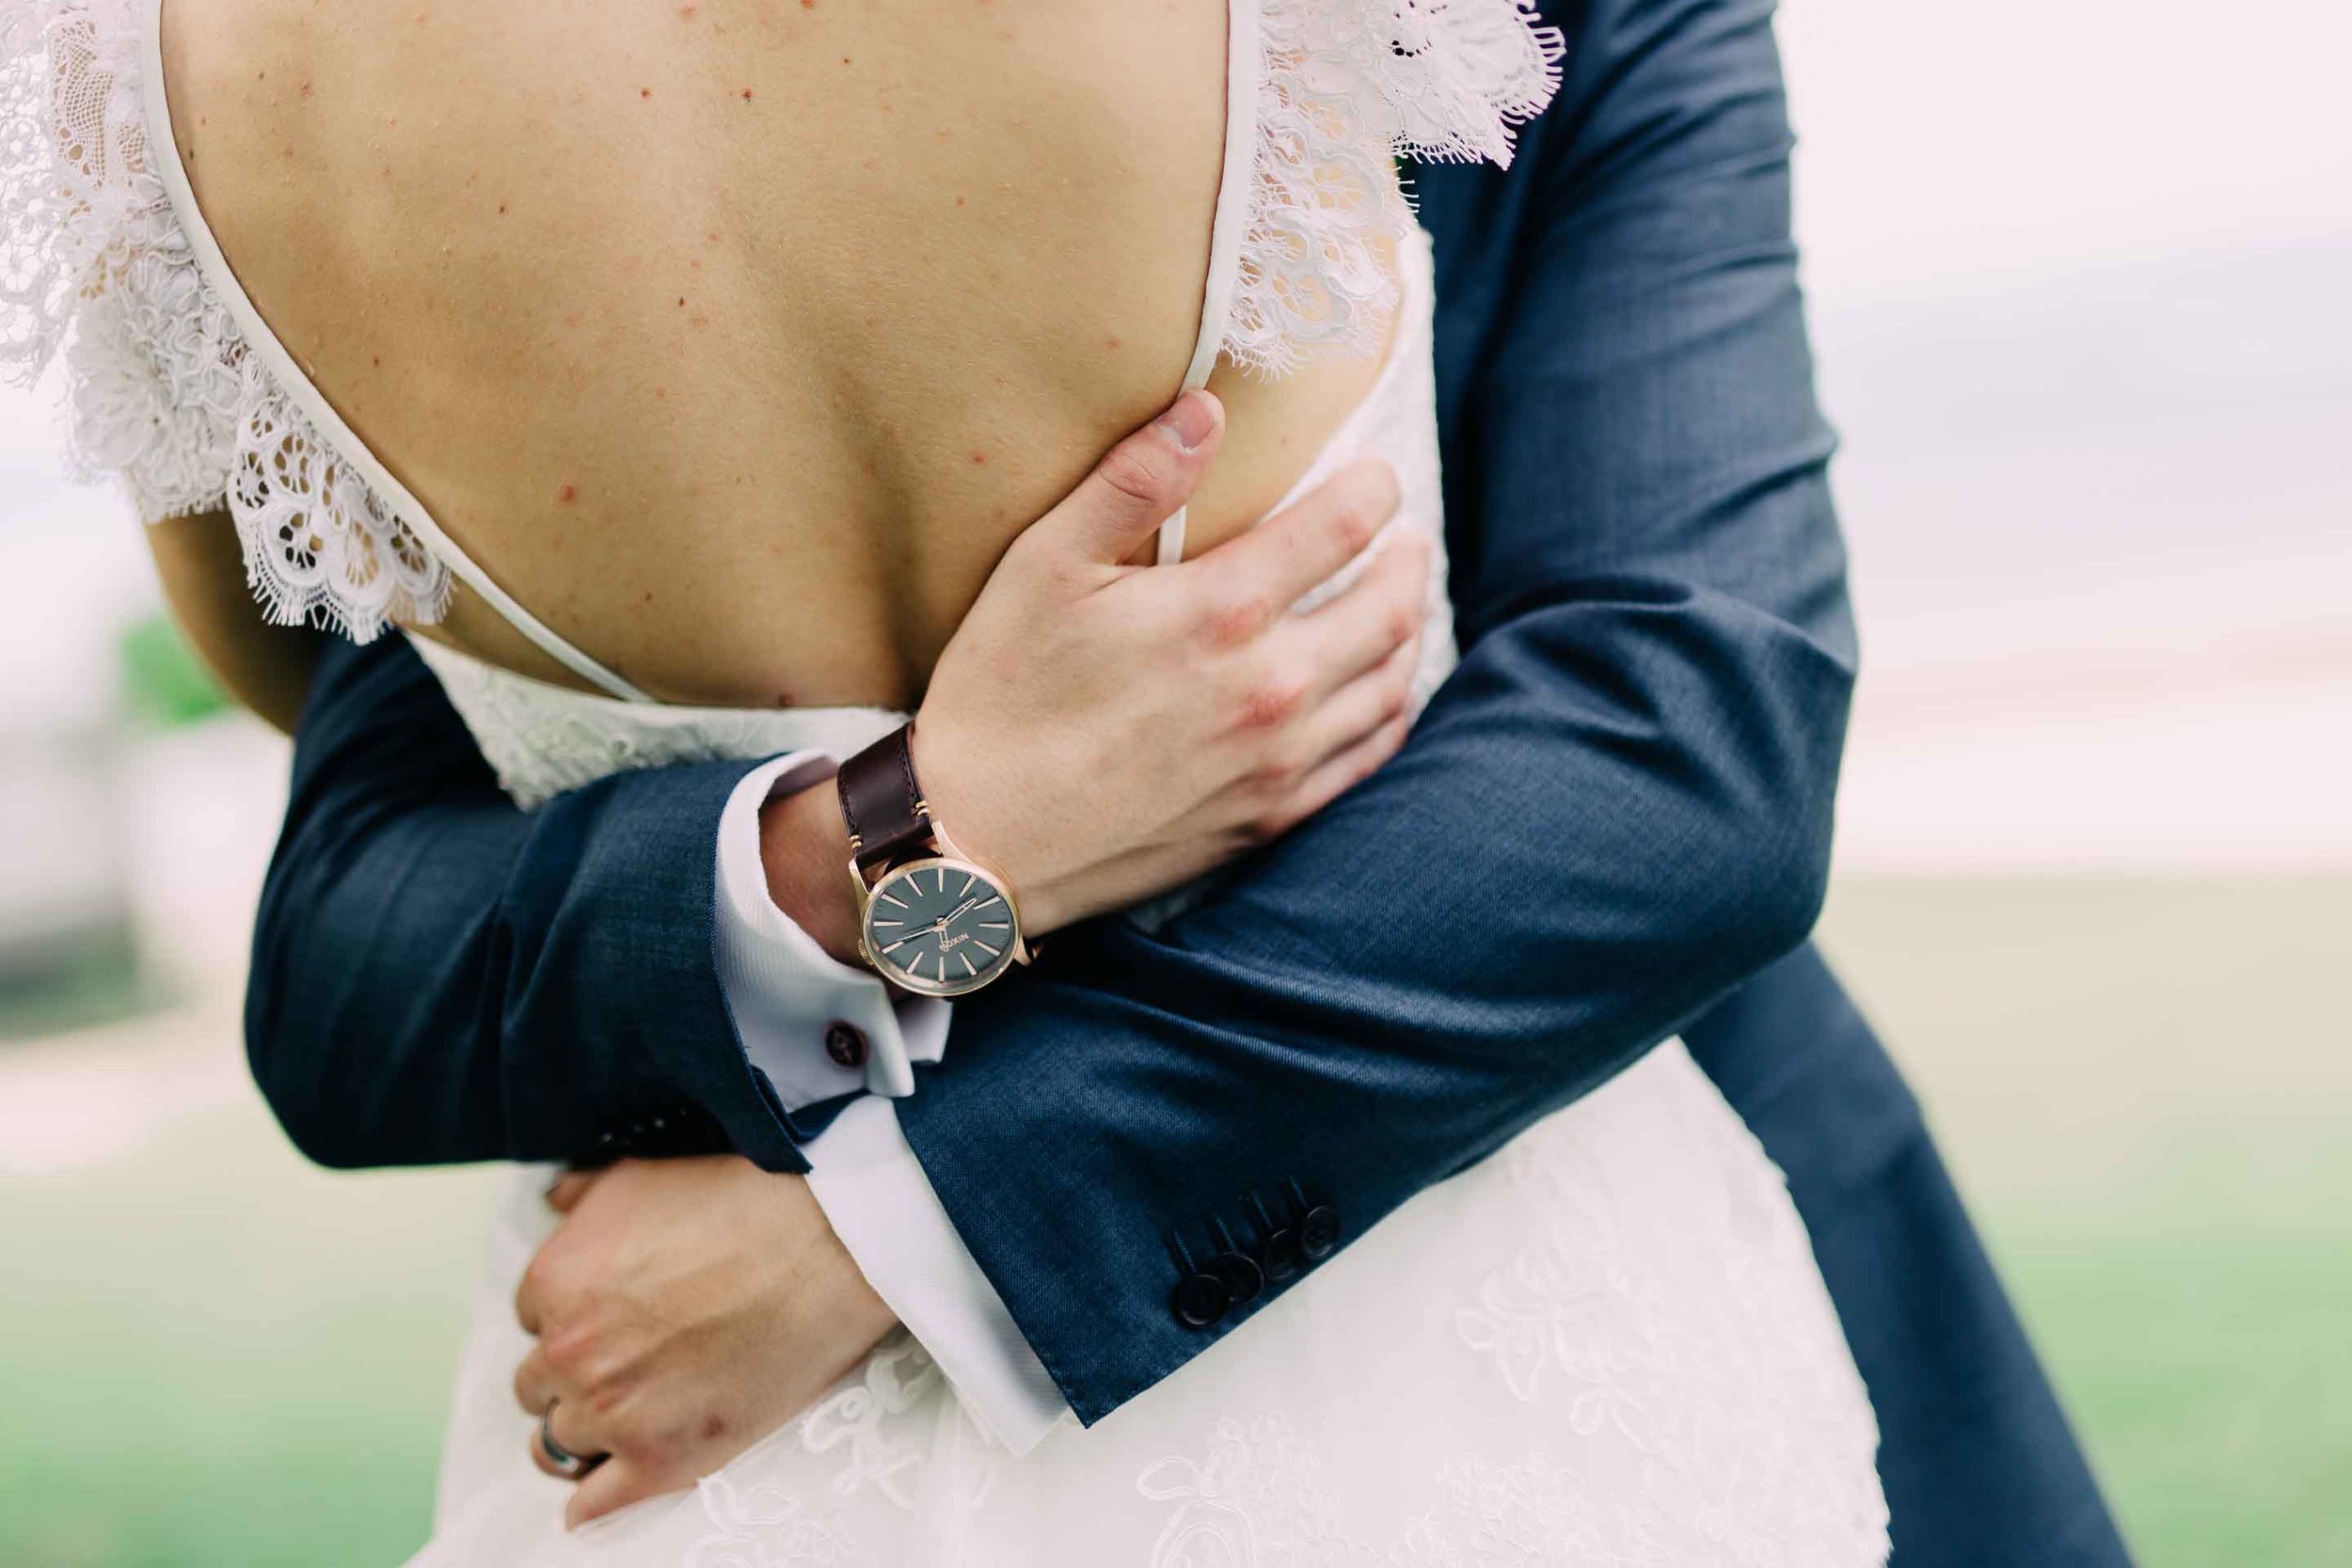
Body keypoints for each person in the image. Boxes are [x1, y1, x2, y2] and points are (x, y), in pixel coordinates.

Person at [3, 0, 2130, 1561]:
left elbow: (1679, 755)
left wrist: (885, 1242)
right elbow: (353, 943)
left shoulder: (165, 83)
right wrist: (908, 843)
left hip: (787, 1366)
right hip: (869, 1404)